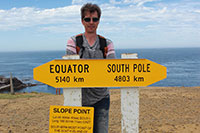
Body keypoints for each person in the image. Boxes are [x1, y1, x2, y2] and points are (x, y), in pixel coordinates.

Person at [66, 3, 115, 133]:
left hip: (102, 98)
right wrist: (98, 68)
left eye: (95, 19)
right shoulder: (74, 41)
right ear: (82, 21)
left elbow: (112, 68)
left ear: (99, 20)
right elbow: (69, 66)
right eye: (87, 19)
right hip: (78, 98)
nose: (91, 22)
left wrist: (82, 64)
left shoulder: (107, 43)